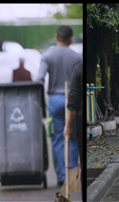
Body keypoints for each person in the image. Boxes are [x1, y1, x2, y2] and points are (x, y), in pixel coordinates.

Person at [34, 26, 81, 187]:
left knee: (57, 139)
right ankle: (73, 176)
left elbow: (39, 78)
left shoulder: (47, 56)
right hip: (72, 101)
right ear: (70, 39)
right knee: (73, 137)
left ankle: (61, 176)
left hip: (54, 101)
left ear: (56, 37)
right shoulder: (77, 57)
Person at [64, 60, 84, 201]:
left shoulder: (78, 68)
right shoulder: (79, 68)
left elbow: (73, 103)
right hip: (83, 115)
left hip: (80, 117)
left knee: (83, 161)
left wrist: (68, 126)